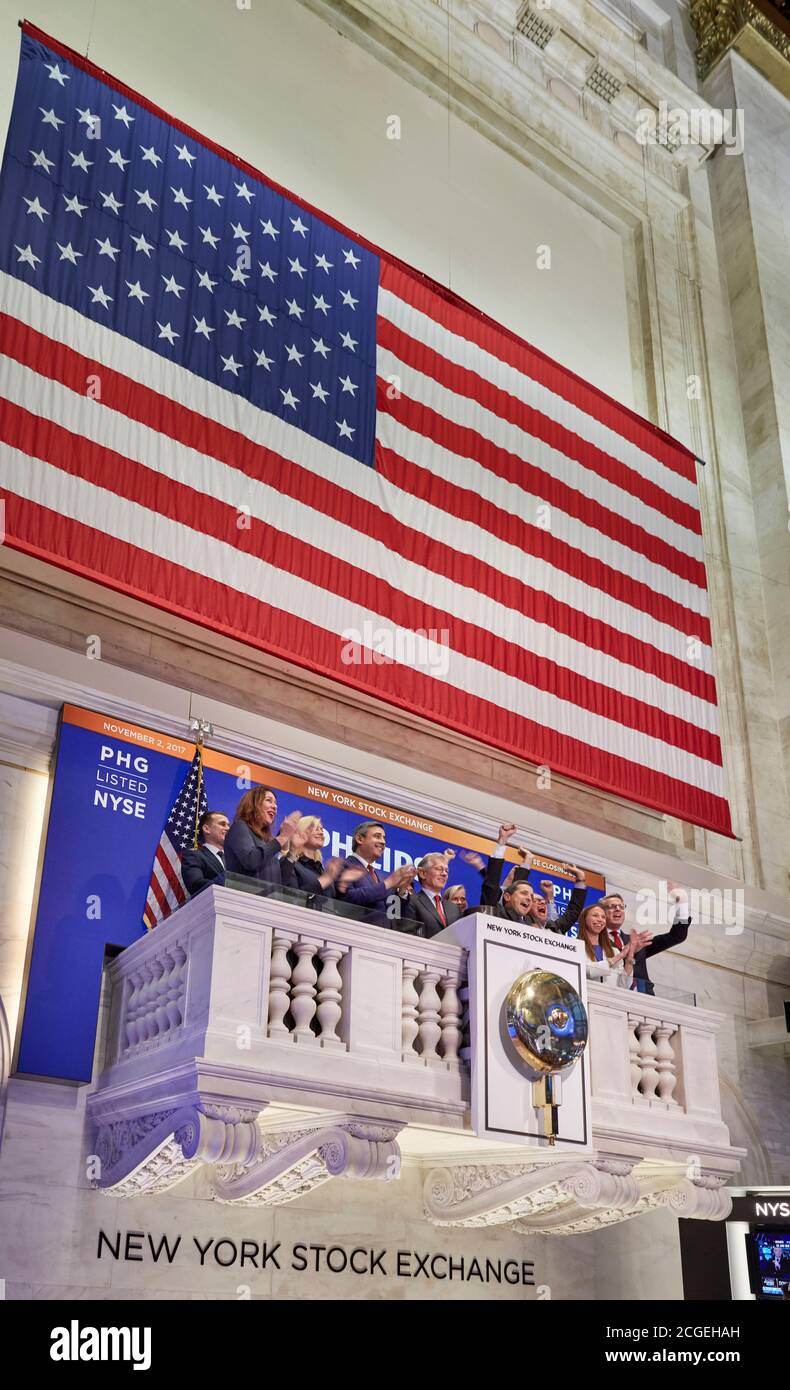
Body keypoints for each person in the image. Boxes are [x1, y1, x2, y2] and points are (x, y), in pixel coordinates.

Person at [601, 886, 692, 995]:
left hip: (643, 998)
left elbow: (677, 936)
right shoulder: (595, 940)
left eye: (621, 906)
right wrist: (629, 952)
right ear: (602, 912)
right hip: (611, 996)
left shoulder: (637, 941)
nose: (618, 909)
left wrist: (681, 905)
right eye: (612, 906)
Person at [337, 820, 417, 930]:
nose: (383, 842)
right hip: (356, 934)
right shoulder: (342, 865)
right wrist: (388, 883)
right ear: (360, 839)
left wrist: (402, 891)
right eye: (377, 836)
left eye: (384, 838)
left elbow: (394, 914)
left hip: (385, 940)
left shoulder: (379, 876)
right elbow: (348, 899)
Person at [223, 786, 301, 886]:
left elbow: (281, 883)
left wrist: (293, 852)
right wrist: (282, 838)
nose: (275, 806)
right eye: (269, 800)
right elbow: (250, 860)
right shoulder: (240, 827)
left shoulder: (267, 842)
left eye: (275, 803)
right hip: (244, 898)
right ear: (254, 804)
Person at [282, 815, 364, 901]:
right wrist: (326, 879)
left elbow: (333, 905)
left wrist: (342, 884)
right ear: (301, 832)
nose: (321, 833)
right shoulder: (290, 864)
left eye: (321, 829)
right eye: (316, 829)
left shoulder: (322, 870)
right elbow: (290, 898)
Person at [575, 903, 651, 988]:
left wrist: (630, 956)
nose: (600, 919)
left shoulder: (614, 951)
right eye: (595, 915)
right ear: (584, 919)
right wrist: (619, 956)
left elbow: (623, 985)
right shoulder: (576, 946)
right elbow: (586, 971)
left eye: (603, 917)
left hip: (610, 999)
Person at [408, 852, 464, 938]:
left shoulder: (454, 909)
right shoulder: (411, 901)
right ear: (422, 873)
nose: (444, 874)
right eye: (439, 869)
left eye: (446, 871)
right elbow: (409, 935)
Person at [180, 810, 230, 897]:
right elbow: (195, 884)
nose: (228, 828)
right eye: (222, 824)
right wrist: (229, 885)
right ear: (206, 829)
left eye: (228, 825)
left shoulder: (234, 859)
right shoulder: (194, 856)